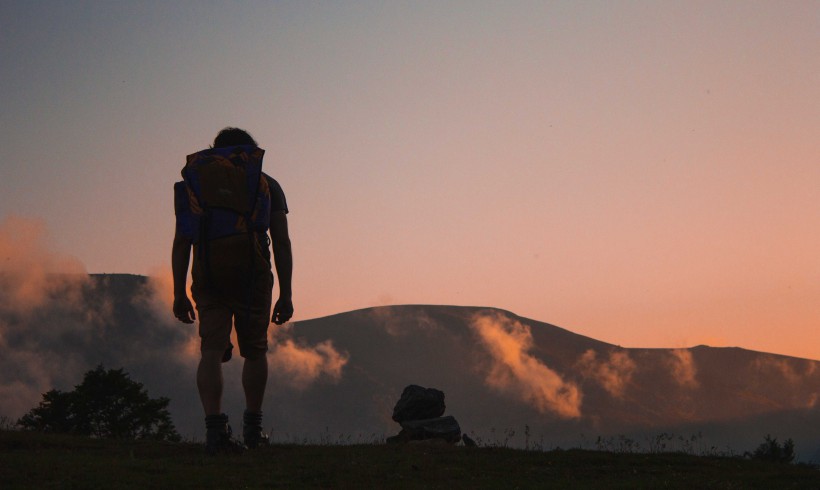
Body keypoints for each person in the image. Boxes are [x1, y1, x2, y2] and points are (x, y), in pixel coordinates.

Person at [172, 127, 293, 454]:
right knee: (254, 349)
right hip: (251, 272)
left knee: (210, 350)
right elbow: (281, 241)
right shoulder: (265, 184)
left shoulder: (197, 184)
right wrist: (286, 292)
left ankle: (215, 433)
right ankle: (253, 431)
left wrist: (179, 292)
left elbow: (183, 241)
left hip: (208, 271)